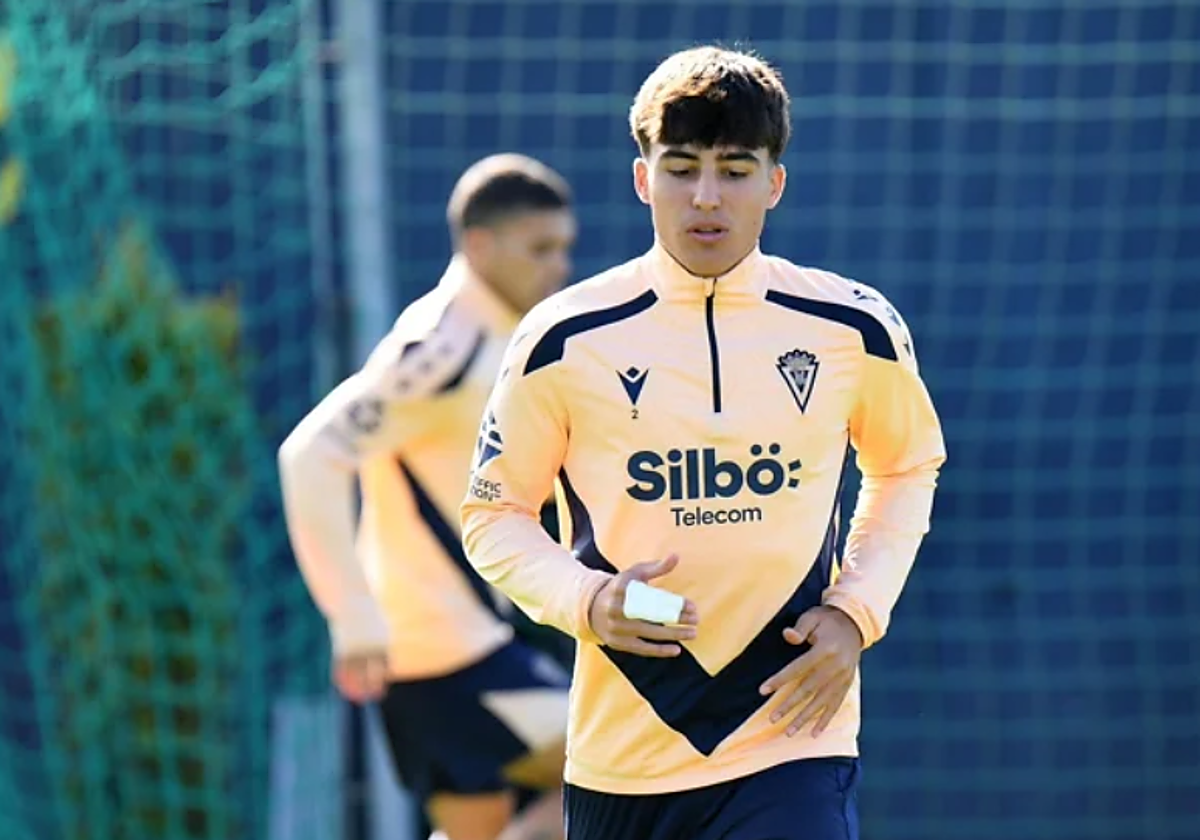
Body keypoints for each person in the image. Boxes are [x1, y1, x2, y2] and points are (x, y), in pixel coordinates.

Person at [459, 46, 947, 840]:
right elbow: (494, 515)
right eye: (682, 168)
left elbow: (907, 466)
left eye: (736, 168)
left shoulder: (855, 327)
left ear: (775, 183)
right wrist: (587, 599)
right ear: (643, 179)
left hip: (792, 738)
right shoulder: (562, 337)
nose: (707, 197)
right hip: (624, 758)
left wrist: (856, 612)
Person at [278, 153, 579, 840]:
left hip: (453, 649)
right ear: (480, 246)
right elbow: (311, 454)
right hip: (446, 650)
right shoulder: (442, 346)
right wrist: (352, 617)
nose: (558, 265)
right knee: (623, 774)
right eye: (540, 248)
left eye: (564, 247)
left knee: (481, 826)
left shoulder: (500, 335)